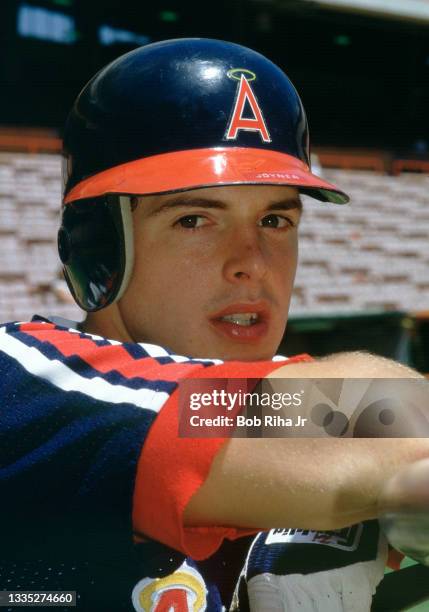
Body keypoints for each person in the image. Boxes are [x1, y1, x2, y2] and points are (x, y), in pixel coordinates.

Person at [1, 37, 428, 612]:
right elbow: (332, 434)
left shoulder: (301, 404)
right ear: (97, 248)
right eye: (194, 219)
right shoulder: (24, 383)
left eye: (276, 219)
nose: (250, 262)